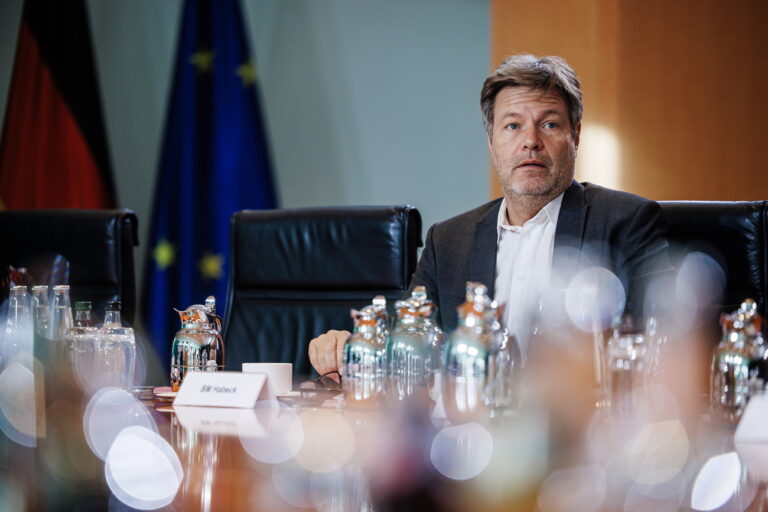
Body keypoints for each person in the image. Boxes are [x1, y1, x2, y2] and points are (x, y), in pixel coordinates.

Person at [308, 54, 670, 378]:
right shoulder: (447, 241)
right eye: (513, 126)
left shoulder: (627, 221)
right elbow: (405, 344)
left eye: (549, 125)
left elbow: (664, 345)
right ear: (491, 141)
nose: (530, 141)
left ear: (575, 135)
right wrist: (349, 345)